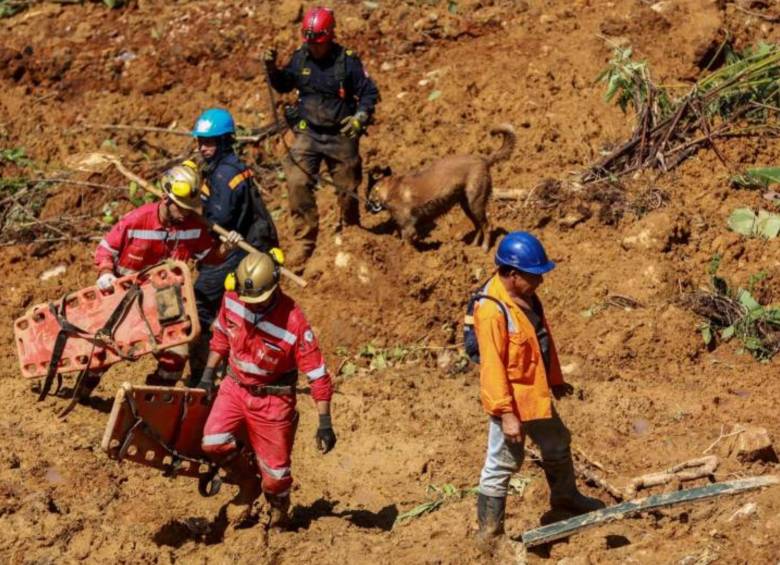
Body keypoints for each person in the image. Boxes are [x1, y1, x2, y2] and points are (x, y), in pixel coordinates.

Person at [473, 231, 604, 540]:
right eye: (534, 276)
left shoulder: (526, 297)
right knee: (502, 464)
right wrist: (506, 414)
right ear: (512, 273)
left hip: (534, 394)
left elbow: (539, 342)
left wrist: (555, 381)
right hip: (511, 403)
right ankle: (490, 536)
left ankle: (565, 498)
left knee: (557, 440)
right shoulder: (493, 310)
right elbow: (491, 367)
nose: (540, 282)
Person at [200, 252, 336, 528]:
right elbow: (221, 337)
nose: (252, 306)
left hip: (273, 400)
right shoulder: (232, 298)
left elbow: (318, 375)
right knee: (213, 443)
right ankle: (248, 482)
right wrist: (206, 375)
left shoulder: (294, 321)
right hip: (234, 388)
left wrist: (324, 422)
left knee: (276, 476)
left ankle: (279, 509)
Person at [93, 165, 243, 388]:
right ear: (166, 199)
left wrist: (226, 248)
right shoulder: (136, 220)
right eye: (181, 207)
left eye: (189, 208)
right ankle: (83, 391)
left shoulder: (192, 227)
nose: (185, 213)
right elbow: (106, 250)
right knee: (103, 353)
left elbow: (210, 258)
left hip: (166, 299)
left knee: (176, 355)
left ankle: (155, 400)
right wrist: (105, 272)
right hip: (125, 297)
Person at [263, 6, 380, 269]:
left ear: (330, 38)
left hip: (340, 134)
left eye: (320, 44)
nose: (315, 49)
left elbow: (369, 92)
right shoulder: (301, 58)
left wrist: (360, 116)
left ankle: (351, 231)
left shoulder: (347, 62)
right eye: (311, 43)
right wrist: (272, 68)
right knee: (296, 180)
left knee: (347, 188)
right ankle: (305, 242)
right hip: (309, 133)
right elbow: (284, 84)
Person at [190, 107, 281, 383]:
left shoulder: (223, 175)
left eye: (209, 142)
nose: (203, 148)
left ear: (225, 141)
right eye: (201, 142)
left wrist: (194, 210)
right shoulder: (228, 167)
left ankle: (203, 372)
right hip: (250, 243)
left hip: (240, 248)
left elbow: (219, 217)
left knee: (199, 304)